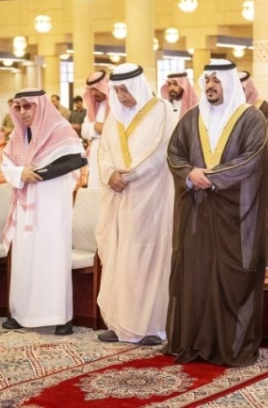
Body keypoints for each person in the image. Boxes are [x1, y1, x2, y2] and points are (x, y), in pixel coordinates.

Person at [165, 59, 268, 367]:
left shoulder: (251, 118)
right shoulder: (191, 118)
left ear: (230, 83)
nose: (211, 85)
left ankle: (229, 347)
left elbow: (253, 158)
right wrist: (189, 174)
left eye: (217, 80)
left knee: (230, 279)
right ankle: (194, 343)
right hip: (195, 214)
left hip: (235, 215)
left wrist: (211, 178)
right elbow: (174, 153)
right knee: (195, 277)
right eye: (207, 80)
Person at [95, 64, 177, 346]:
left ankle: (152, 326)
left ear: (138, 86)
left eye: (125, 89)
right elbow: (103, 153)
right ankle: (119, 325)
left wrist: (127, 177)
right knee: (119, 258)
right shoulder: (114, 116)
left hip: (151, 198)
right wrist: (110, 175)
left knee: (149, 259)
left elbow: (160, 151)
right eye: (117, 90)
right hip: (119, 199)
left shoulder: (162, 110)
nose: (121, 95)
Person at [0, 89, 85, 335]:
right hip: (25, 206)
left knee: (52, 259)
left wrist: (37, 175)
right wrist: (20, 173)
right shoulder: (18, 135)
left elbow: (74, 164)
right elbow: (6, 163)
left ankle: (60, 317)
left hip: (52, 207)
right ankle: (21, 314)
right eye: (18, 107)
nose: (22, 112)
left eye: (27, 106)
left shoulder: (61, 131)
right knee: (24, 261)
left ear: (41, 106)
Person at [239, 70, 268, 270]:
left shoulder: (262, 107)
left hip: (259, 173)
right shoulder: (230, 109)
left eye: (243, 88)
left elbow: (262, 142)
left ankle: (266, 262)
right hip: (235, 176)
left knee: (264, 217)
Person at [81, 71, 110, 188]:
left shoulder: (116, 106)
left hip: (110, 154)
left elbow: (116, 131)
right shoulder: (92, 108)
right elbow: (84, 131)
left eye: (97, 89)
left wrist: (98, 128)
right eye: (91, 90)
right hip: (94, 154)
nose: (94, 93)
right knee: (94, 187)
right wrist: (96, 126)